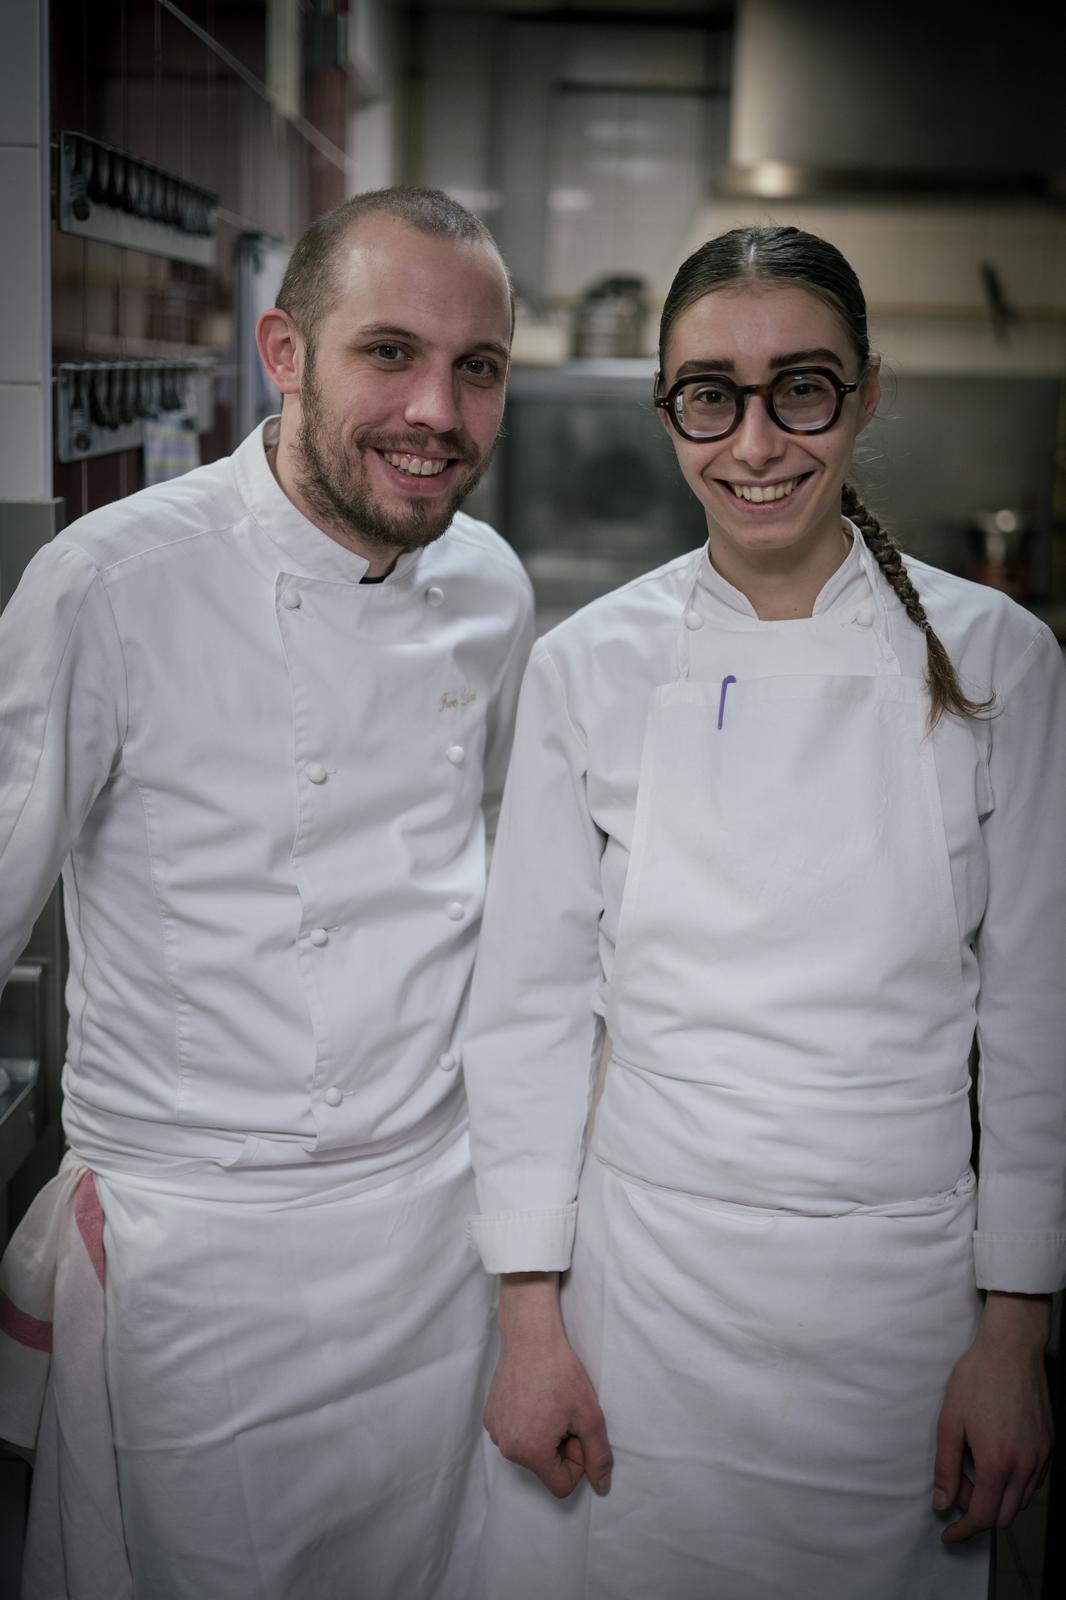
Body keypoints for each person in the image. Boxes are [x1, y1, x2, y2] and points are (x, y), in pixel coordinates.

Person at [461, 224, 1064, 1599]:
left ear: (861, 393)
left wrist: (1013, 1336)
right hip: (645, 1297)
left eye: (801, 388)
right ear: (665, 406)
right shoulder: (588, 666)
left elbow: (1038, 1021)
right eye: (708, 395)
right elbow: (531, 1014)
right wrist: (530, 1320)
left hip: (899, 1303)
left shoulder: (996, 663)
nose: (755, 443)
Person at [0, 185, 534, 1599]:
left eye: (476, 369)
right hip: (204, 1257)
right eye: (389, 353)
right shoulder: (110, 585)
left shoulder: (485, 581)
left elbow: (489, 879)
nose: (436, 407)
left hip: (434, 1233)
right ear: (283, 352)